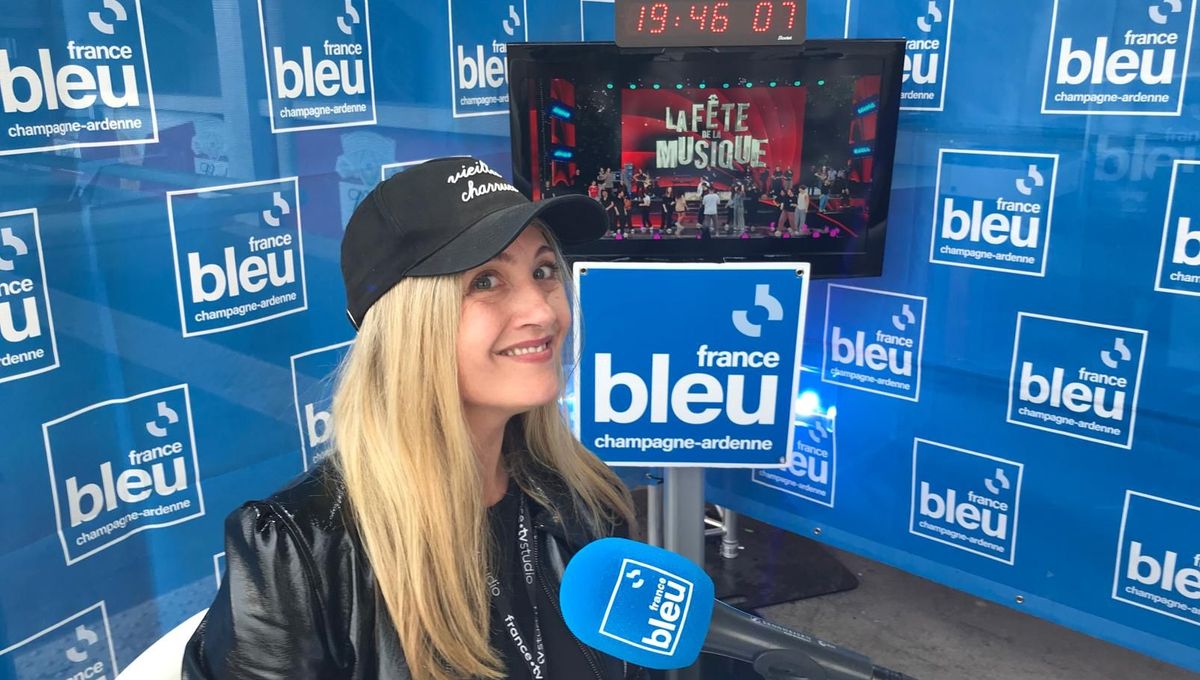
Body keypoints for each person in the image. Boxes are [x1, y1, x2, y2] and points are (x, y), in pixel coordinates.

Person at [181, 157, 641, 680]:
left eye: (543, 271)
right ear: (408, 325)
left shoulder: (586, 500)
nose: (541, 310)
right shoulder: (296, 556)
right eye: (486, 281)